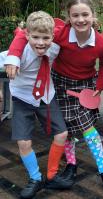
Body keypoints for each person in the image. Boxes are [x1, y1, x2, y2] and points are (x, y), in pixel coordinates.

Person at [5, 0, 103, 196]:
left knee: (88, 129)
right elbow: (24, 34)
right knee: (66, 130)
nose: (81, 20)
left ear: (93, 16)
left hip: (85, 86)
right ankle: (71, 166)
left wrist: (100, 85)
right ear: (69, 17)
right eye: (75, 15)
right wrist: (13, 57)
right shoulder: (60, 32)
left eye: (85, 15)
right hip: (59, 83)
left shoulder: (101, 42)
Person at [3, 11, 72, 199]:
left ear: (52, 37)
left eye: (45, 38)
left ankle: (51, 175)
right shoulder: (16, 53)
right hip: (23, 98)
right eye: (35, 37)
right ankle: (35, 177)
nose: (41, 43)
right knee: (23, 141)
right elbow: (8, 57)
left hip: (46, 96)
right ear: (27, 36)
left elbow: (66, 31)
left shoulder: (54, 48)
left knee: (62, 133)